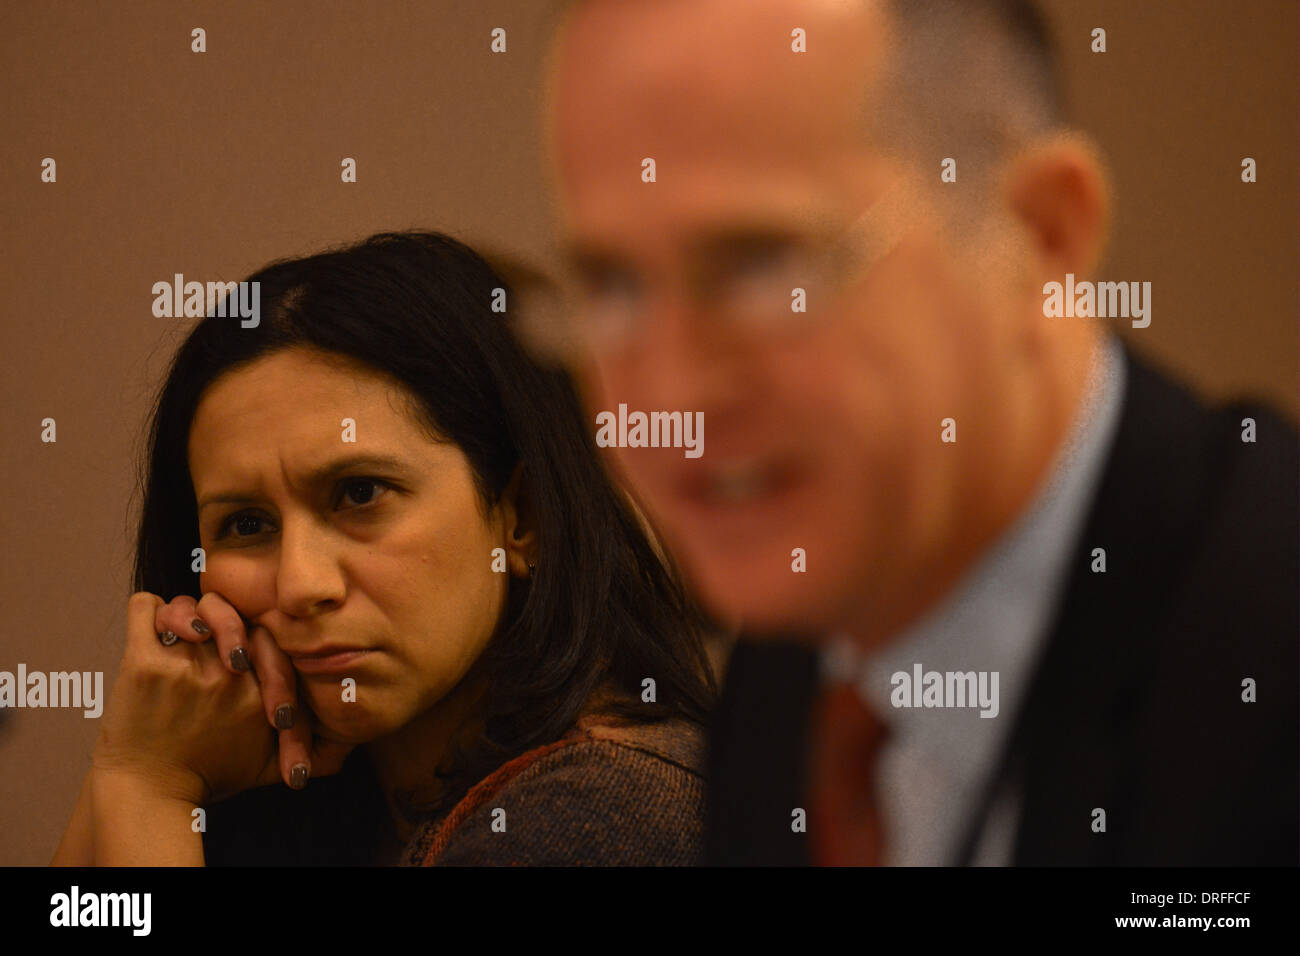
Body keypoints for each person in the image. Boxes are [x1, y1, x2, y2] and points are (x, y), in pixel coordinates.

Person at [540, 0, 1298, 864]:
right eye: (611, 288)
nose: (669, 395)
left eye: (763, 266)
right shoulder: (787, 671)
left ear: (1041, 237)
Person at [51, 230, 717, 866]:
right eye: (248, 525)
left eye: (361, 493)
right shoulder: (339, 803)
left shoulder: (598, 810)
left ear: (524, 517)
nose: (302, 585)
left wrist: (147, 788)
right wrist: (131, 760)